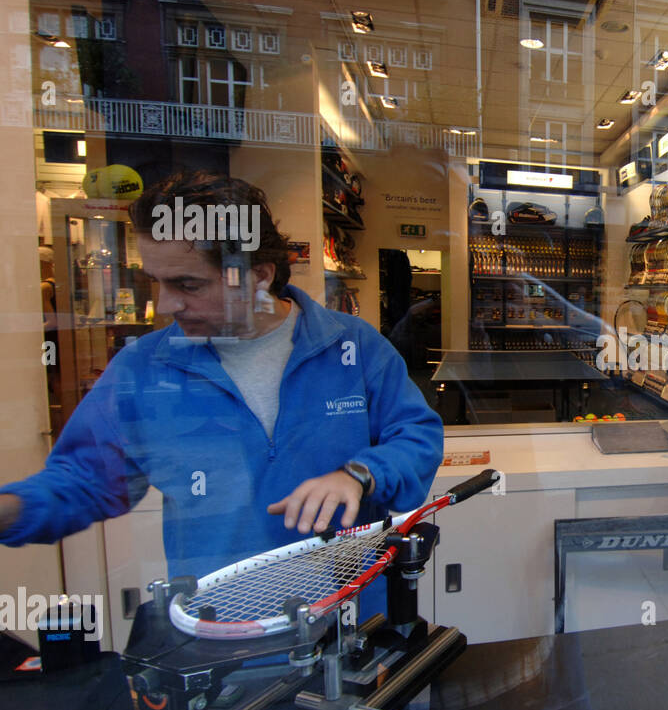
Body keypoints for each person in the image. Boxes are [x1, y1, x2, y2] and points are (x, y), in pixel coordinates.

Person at [0, 171, 444, 590]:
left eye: (188, 284)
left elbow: (416, 438)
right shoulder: (144, 367)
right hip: (215, 624)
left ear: (259, 276)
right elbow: (83, 480)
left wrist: (360, 474)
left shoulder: (352, 346)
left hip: (350, 616)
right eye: (155, 282)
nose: (165, 305)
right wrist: (12, 510)